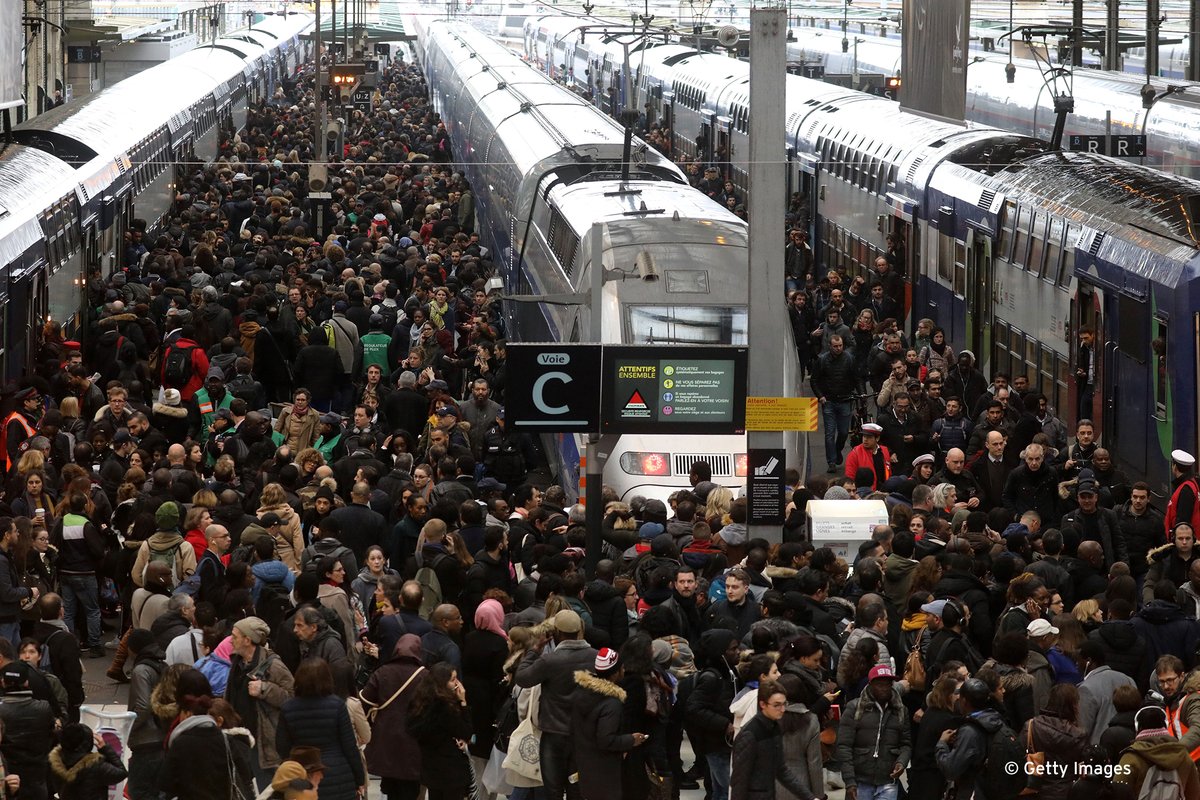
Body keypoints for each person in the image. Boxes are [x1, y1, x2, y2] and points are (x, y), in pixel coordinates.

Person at [514, 609, 598, 799]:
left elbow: (522, 678)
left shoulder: (550, 660)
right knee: (577, 790)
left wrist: (534, 651)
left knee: (553, 790)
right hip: (583, 735)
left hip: (554, 734)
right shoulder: (595, 657)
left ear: (556, 633)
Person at [276, 659, 366, 800]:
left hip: (304, 776)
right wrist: (360, 779)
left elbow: (281, 747)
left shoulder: (288, 708)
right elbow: (350, 747)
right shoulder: (337, 705)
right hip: (340, 776)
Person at [226, 616, 295, 790]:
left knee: (269, 789)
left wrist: (265, 689)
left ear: (247, 640)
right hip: (240, 737)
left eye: (235, 636)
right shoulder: (237, 662)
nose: (230, 640)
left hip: (263, 741)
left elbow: (293, 697)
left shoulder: (273, 665)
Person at [572, 648, 647, 800]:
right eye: (621, 668)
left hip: (585, 764)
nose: (624, 670)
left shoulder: (581, 693)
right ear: (615, 673)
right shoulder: (611, 704)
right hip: (605, 769)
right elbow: (606, 739)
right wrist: (632, 740)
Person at [159, 669, 246, 800]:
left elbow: (166, 782)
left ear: (187, 712)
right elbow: (245, 772)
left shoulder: (180, 742)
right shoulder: (225, 739)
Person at [730, 680, 822, 800]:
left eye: (784, 704)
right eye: (776, 705)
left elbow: (781, 770)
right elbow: (739, 781)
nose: (783, 709)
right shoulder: (750, 734)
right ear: (763, 704)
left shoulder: (774, 728)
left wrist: (810, 797)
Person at [360, 634, 425, 800]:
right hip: (414, 743)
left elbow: (365, 701)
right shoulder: (424, 676)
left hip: (386, 740)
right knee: (410, 791)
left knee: (392, 791)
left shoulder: (383, 672)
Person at [835, 664, 910, 800]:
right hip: (860, 780)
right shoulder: (854, 708)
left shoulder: (900, 710)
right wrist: (850, 781)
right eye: (879, 684)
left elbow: (906, 744)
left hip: (888, 780)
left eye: (888, 684)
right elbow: (843, 746)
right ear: (870, 685)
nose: (884, 688)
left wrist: (901, 762)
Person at [405, 662, 474, 800]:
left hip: (430, 767)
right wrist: (463, 702)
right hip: (451, 769)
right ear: (442, 683)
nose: (457, 683)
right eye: (453, 679)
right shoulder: (445, 707)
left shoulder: (421, 702)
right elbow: (466, 732)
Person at [935, 677, 1008, 800]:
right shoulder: (998, 720)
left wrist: (941, 744)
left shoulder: (969, 731)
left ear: (964, 701)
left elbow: (951, 769)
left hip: (974, 791)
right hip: (994, 790)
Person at [1113, 705, 1200, 799]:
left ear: (1137, 727)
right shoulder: (1183, 757)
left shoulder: (1131, 758)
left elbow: (1117, 793)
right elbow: (1194, 794)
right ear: (1166, 725)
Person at [48, 722, 128, 800]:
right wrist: (105, 748)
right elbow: (121, 773)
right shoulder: (95, 765)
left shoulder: (55, 761)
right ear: (87, 743)